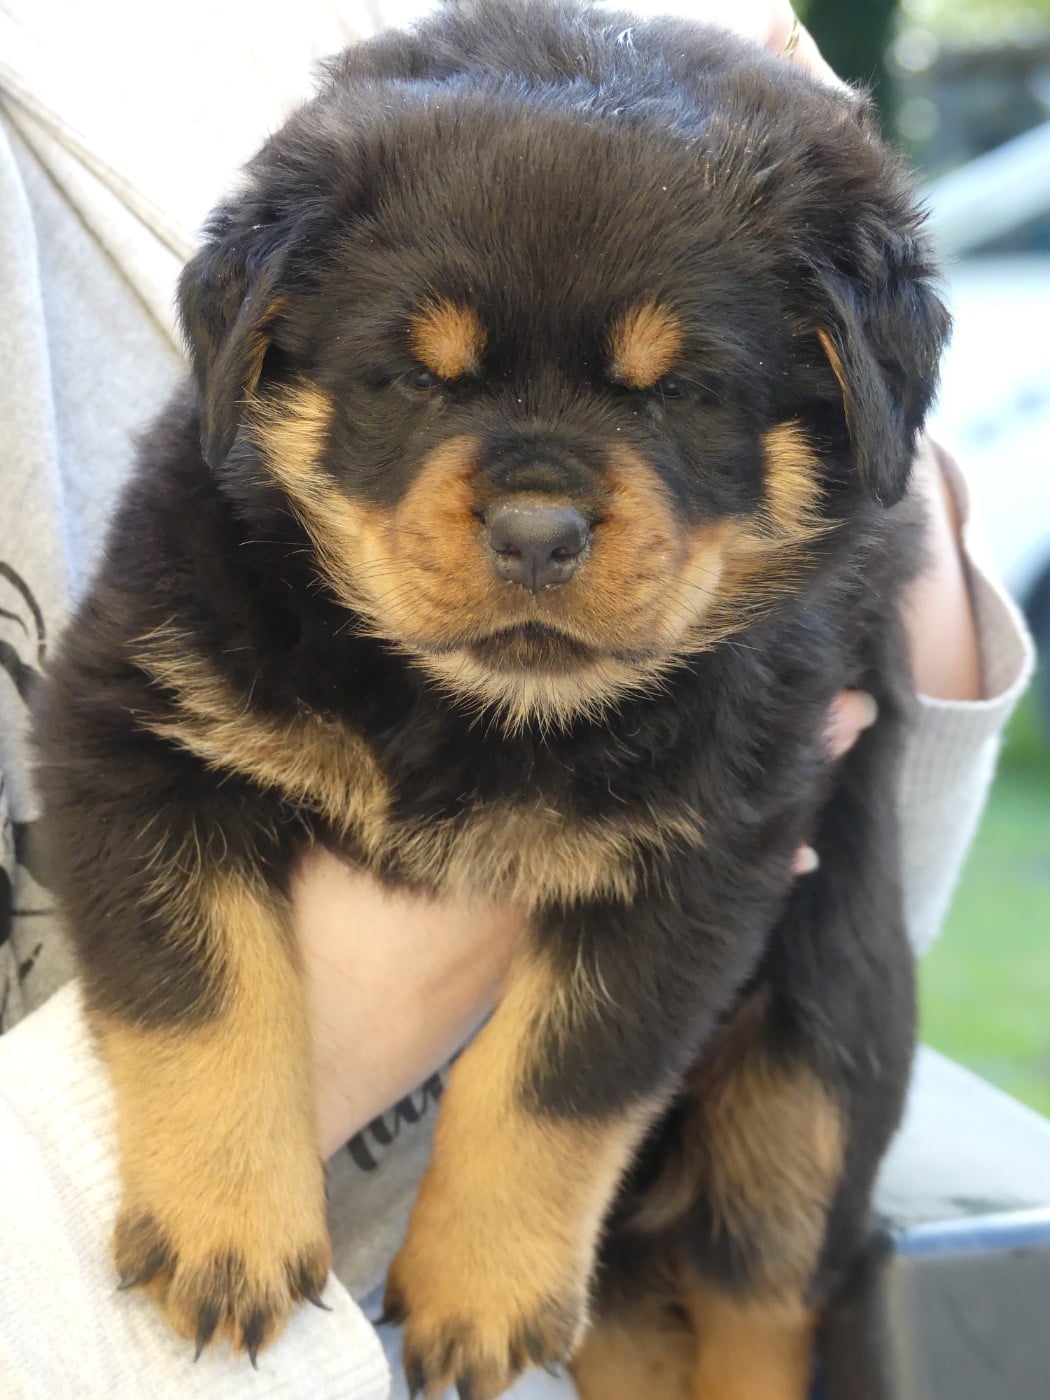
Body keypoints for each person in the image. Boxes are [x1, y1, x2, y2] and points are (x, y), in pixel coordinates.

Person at [0, 2, 1033, 1397]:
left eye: (679, 400)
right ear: (258, 355)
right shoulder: (212, 580)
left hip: (621, 1177)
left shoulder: (751, 140)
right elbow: (132, 770)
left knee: (779, 1170)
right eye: (411, 387)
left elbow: (814, 875)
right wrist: (217, 1130)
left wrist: (517, 1205)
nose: (536, 520)